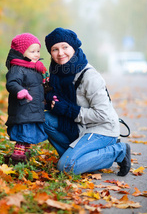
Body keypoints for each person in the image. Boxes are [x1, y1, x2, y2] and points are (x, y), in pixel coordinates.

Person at [44, 27, 131, 176]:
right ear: (50, 53)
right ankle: (80, 158)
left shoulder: (89, 76)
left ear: (74, 47)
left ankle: (118, 151)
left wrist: (66, 109)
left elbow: (103, 114)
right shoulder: (56, 73)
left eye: (65, 47)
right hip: (79, 127)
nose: (60, 53)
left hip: (102, 129)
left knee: (66, 168)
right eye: (54, 49)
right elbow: (58, 102)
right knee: (44, 119)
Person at [5, 33, 48, 163]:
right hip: (23, 108)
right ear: (21, 52)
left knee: (29, 135)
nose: (36, 54)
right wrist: (20, 91)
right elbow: (12, 83)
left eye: (38, 51)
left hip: (33, 109)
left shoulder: (37, 69)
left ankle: (26, 156)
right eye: (32, 51)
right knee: (23, 135)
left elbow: (39, 87)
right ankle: (17, 157)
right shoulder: (18, 68)